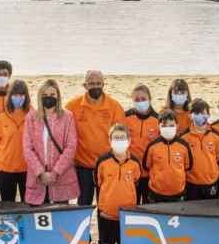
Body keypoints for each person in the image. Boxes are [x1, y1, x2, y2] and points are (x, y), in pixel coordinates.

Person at [66, 70, 126, 206]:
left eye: (98, 83)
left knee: (105, 204)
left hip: (106, 165)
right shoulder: (72, 106)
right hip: (82, 166)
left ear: (104, 84)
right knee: (83, 205)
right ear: (85, 86)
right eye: (91, 84)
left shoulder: (114, 106)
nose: (95, 87)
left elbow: (122, 137)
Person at [95, 124, 142, 244]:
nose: (119, 141)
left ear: (129, 140)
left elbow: (136, 182)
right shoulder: (102, 161)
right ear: (109, 140)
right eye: (116, 138)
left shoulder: (135, 163)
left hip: (127, 215)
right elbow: (99, 183)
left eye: (123, 138)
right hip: (107, 214)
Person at [23, 79, 79, 205]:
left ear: (58, 96)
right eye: (45, 95)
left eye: (52, 95)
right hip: (37, 179)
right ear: (40, 96)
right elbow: (27, 148)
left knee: (61, 220)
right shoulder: (31, 117)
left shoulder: (67, 117)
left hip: (61, 177)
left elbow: (71, 146)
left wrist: (55, 172)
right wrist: (40, 172)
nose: (49, 98)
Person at [142, 110, 192, 202]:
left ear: (177, 125)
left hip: (178, 193)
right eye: (164, 126)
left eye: (171, 126)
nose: (168, 128)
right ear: (158, 126)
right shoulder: (152, 146)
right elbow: (146, 166)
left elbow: (188, 166)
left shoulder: (184, 145)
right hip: (156, 193)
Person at [0, 79, 30, 201]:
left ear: (26, 96)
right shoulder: (1, 118)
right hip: (5, 169)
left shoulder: (33, 115)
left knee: (28, 203)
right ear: (10, 96)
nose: (18, 97)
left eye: (21, 95)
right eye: (15, 95)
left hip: (27, 168)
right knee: (7, 203)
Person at [125, 84, 160, 203]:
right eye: (137, 100)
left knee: (147, 206)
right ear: (132, 100)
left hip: (149, 173)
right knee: (131, 204)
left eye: (143, 99)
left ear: (150, 99)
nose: (140, 102)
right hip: (130, 171)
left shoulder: (158, 119)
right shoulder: (126, 116)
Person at [182, 98, 219, 200]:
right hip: (191, 184)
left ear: (208, 115)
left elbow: (218, 158)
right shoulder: (183, 137)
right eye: (197, 113)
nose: (201, 116)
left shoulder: (216, 136)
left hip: (211, 183)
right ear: (190, 116)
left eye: (203, 113)